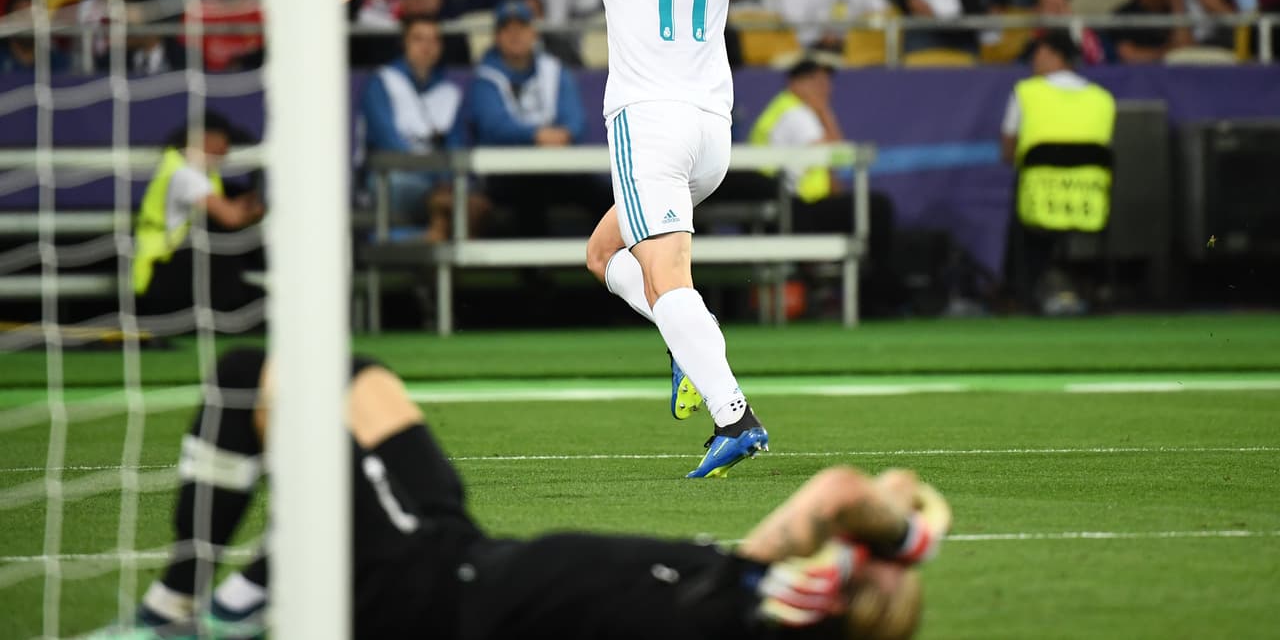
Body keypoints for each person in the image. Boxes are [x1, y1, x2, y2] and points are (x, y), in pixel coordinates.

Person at [343, 0, 976, 478]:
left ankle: (734, 415)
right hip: (711, 136)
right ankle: (689, 338)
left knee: (669, 280)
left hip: (650, 129)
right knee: (602, 253)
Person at [94, 345, 951, 640]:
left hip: (425, 588)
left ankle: (176, 610)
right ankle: (256, 588)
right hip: (455, 548)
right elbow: (839, 511)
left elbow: (844, 494)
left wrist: (913, 534)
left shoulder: (741, 616)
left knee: (259, 375)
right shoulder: (741, 589)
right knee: (361, 381)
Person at [749, 59, 898, 312]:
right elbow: (837, 153)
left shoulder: (788, 109)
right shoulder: (795, 114)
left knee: (866, 208)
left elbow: (827, 169)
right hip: (793, 208)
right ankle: (876, 298)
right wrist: (824, 110)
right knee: (877, 208)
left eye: (826, 82)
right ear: (795, 84)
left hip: (790, 205)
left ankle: (871, 294)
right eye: (817, 81)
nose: (825, 88)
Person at [461, 0, 598, 238]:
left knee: (600, 193)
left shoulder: (554, 70)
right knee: (530, 191)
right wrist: (537, 135)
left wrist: (564, 134)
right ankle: (540, 263)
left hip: (554, 166)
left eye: (522, 27)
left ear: (534, 33)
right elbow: (494, 127)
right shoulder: (486, 77)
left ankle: (620, 255)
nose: (515, 35)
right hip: (504, 172)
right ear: (497, 37)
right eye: (507, 29)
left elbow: (575, 121)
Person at [1000, 30, 1116, 315]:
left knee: (1021, 189)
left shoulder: (1025, 92)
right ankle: (1097, 287)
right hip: (1090, 204)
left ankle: (1020, 293)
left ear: (1056, 55)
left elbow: (1008, 153)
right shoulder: (1103, 98)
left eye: (1038, 54)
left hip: (1038, 203)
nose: (1033, 61)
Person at [133, 111, 266, 325]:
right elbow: (231, 217)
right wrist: (261, 208)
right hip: (162, 278)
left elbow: (228, 209)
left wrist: (248, 203)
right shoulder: (186, 174)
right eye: (225, 141)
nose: (226, 151)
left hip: (167, 275)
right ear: (207, 138)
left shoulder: (185, 167)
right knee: (216, 234)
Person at [359, 15, 480, 243]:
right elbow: (390, 146)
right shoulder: (383, 82)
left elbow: (455, 145)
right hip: (391, 176)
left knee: (472, 198)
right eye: (418, 39)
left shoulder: (449, 92)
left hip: (438, 180)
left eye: (434, 40)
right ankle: (437, 241)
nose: (427, 47)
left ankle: (436, 239)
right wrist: (438, 178)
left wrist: (446, 178)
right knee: (453, 201)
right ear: (404, 43)